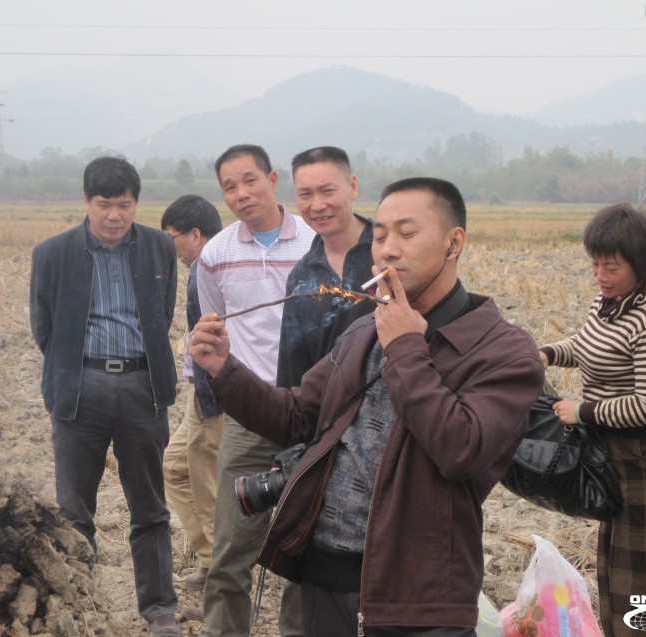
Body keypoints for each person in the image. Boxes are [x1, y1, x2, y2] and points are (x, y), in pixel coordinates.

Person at [189, 177, 545, 636]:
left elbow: (460, 450)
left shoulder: (502, 350)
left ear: (454, 243)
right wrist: (225, 369)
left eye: (407, 233)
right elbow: (298, 417)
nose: (388, 250)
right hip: (324, 578)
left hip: (418, 596)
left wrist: (406, 346)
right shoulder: (363, 331)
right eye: (379, 236)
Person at [29, 156, 181, 636]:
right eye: (104, 204)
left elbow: (162, 314)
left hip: (142, 388)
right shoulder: (52, 254)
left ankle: (160, 609)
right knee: (74, 509)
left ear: (136, 203)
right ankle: (80, 604)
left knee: (150, 506)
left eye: (124, 205)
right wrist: (66, 377)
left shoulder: (159, 248)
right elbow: (44, 327)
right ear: (85, 201)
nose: (114, 215)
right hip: (80, 389)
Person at [538, 203, 646, 637]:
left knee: (641, 579)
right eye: (595, 263)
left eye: (611, 266)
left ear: (641, 263)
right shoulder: (611, 302)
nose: (600, 274)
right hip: (614, 448)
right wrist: (549, 353)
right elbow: (589, 346)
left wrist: (582, 411)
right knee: (614, 568)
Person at [197, 144, 313, 637]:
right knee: (230, 550)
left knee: (310, 548)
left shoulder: (315, 243)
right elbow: (212, 328)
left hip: (311, 413)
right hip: (248, 417)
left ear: (272, 179)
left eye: (250, 180)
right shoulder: (215, 254)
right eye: (230, 186)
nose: (241, 193)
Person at [159, 195, 224, 622]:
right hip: (199, 391)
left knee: (209, 486)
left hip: (213, 396)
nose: (173, 250)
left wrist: (212, 399)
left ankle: (223, 588)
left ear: (194, 234)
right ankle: (209, 559)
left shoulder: (209, 268)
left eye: (173, 239)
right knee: (176, 466)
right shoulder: (202, 267)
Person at [277, 145, 375, 389]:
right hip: (329, 408)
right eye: (305, 194)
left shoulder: (389, 252)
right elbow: (294, 367)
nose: (318, 205)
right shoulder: (301, 277)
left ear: (353, 187)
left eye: (327, 191)